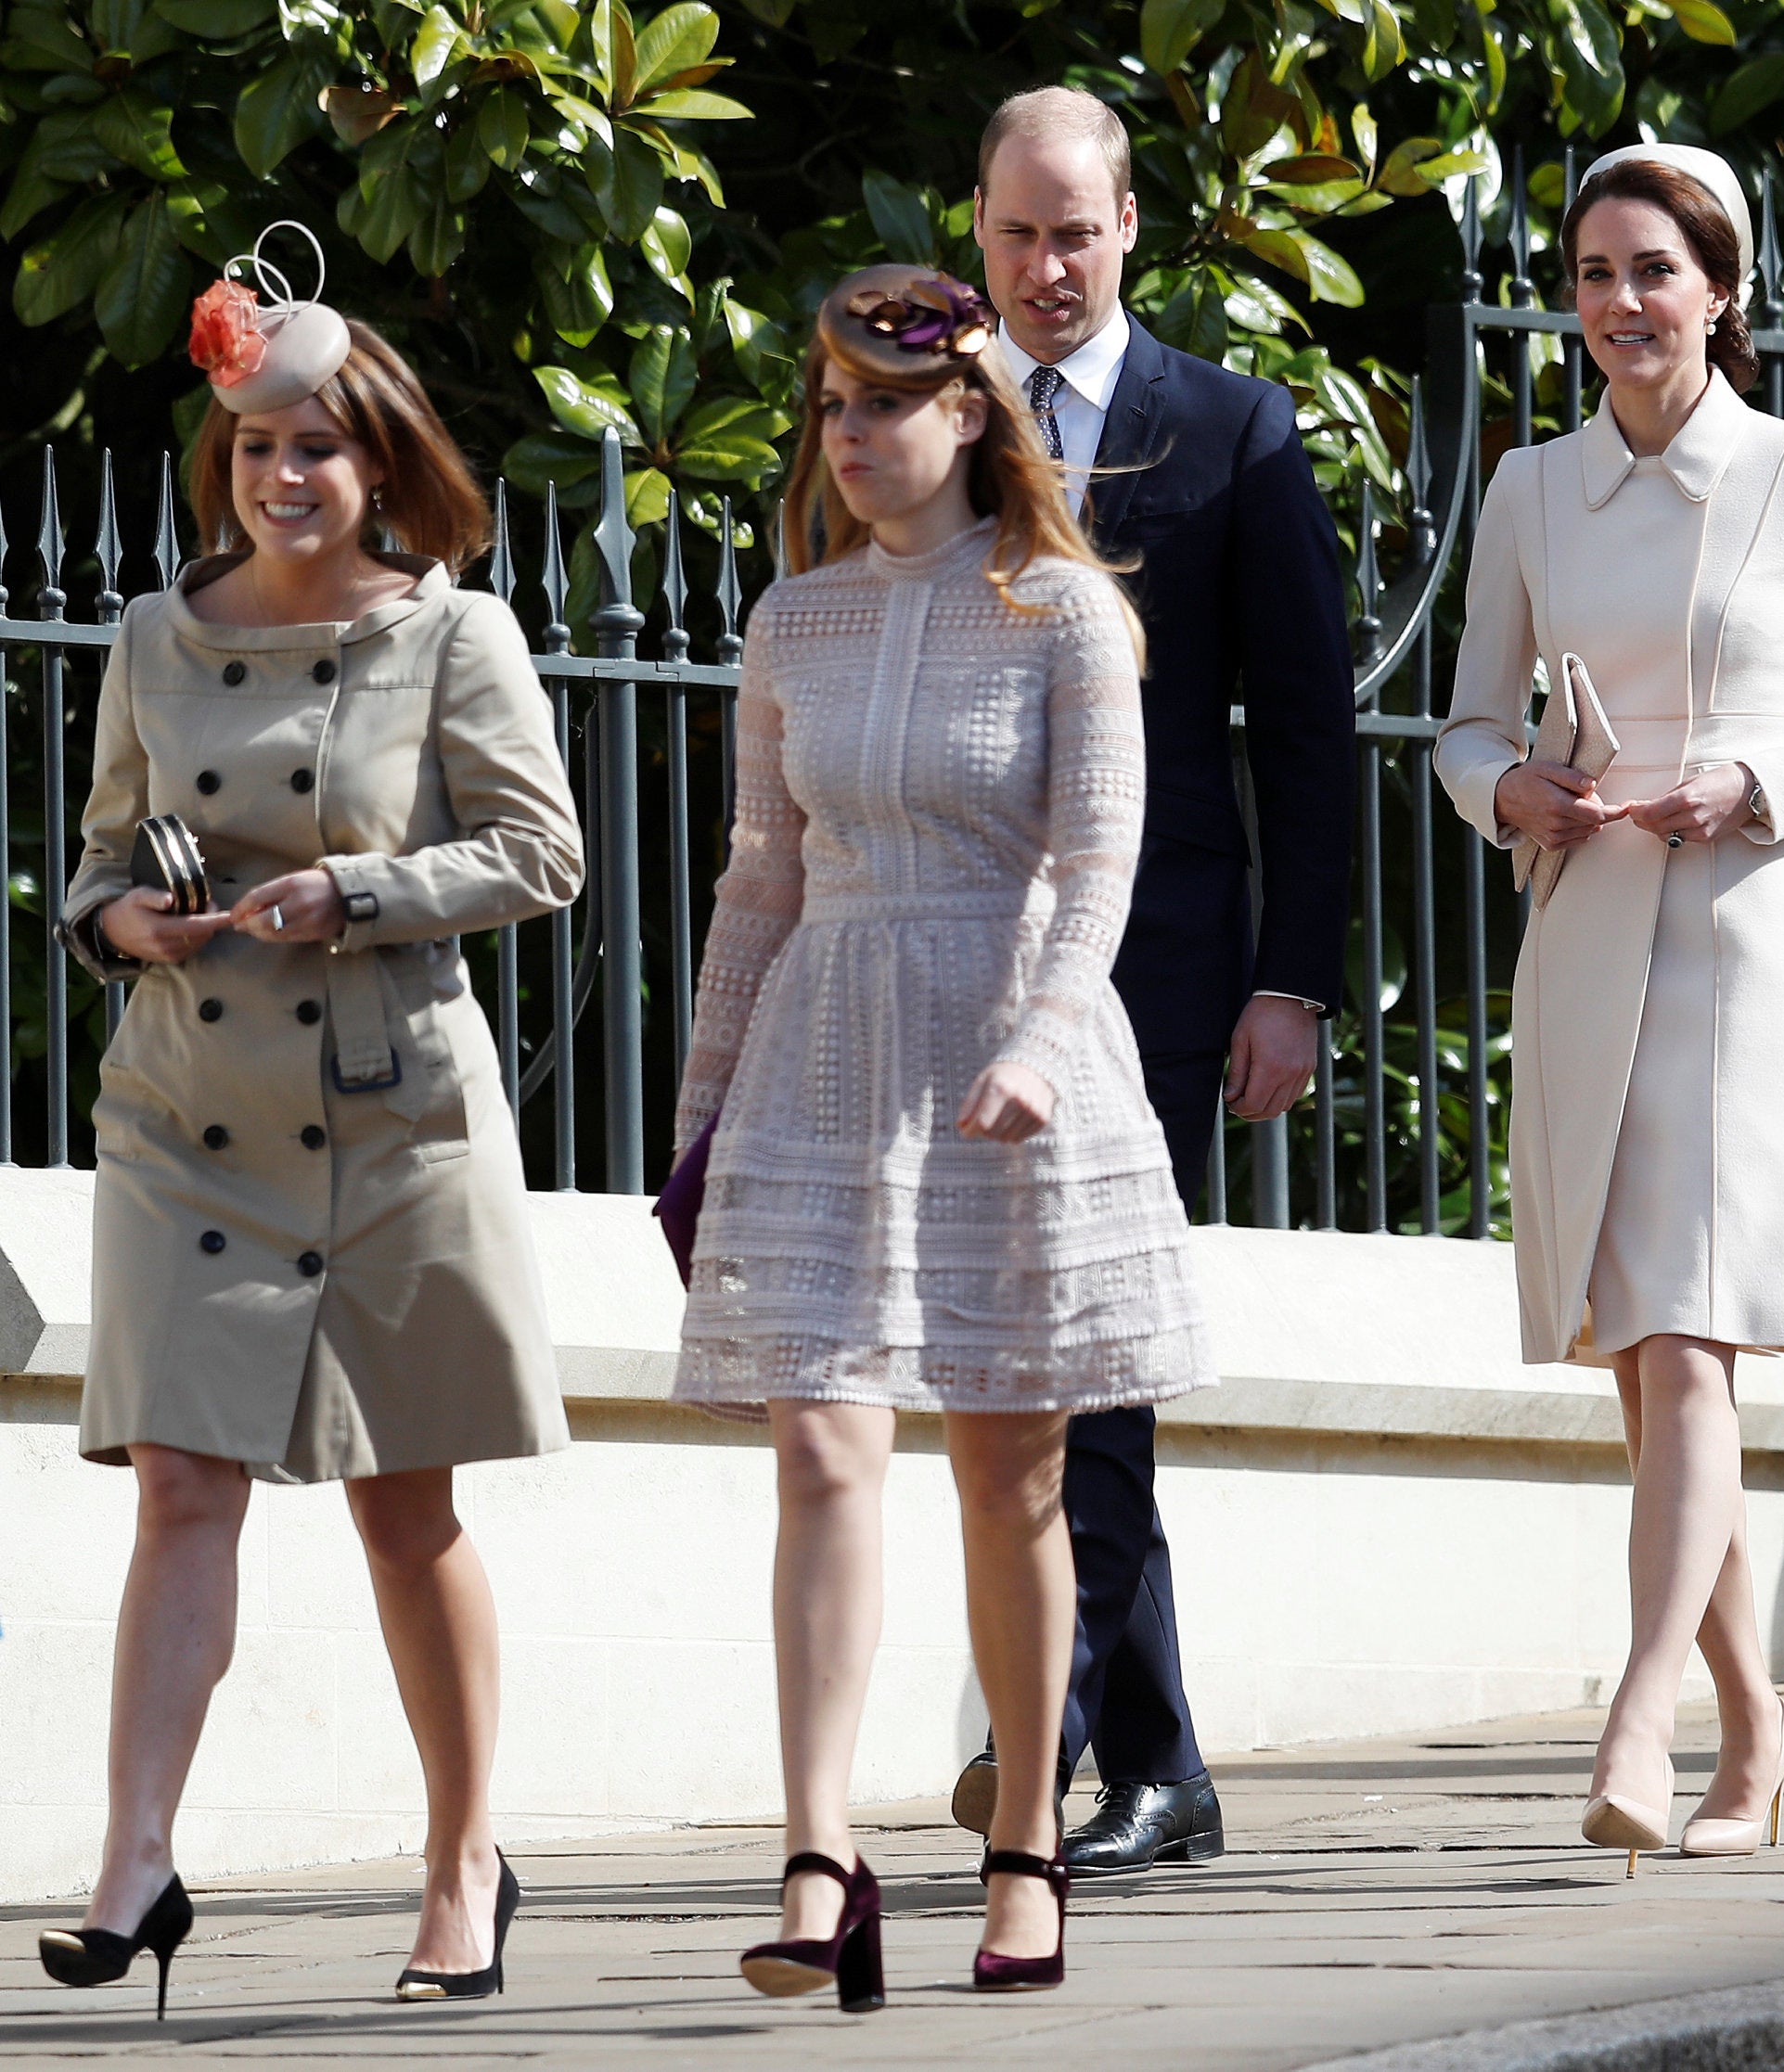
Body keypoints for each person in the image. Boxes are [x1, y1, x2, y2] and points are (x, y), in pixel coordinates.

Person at [39, 229, 583, 2014]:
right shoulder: (154, 631)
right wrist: (127, 920)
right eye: (259, 446)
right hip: (184, 1109)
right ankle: (134, 1861)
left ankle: (464, 1860)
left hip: (390, 1120)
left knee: (402, 1509)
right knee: (180, 1484)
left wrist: (354, 893)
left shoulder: (453, 630)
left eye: (320, 447)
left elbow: (543, 853)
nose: (285, 475)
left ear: (381, 459)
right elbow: (97, 861)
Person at [670, 264, 1214, 2007]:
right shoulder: (792, 620)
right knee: (820, 1451)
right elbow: (759, 877)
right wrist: (700, 1116)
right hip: (825, 1059)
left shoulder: (1067, 611)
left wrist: (1047, 1039)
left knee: (1010, 1472)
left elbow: (1101, 856)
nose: (851, 435)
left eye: (887, 404)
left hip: (1007, 1061)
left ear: (971, 414)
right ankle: (818, 1851)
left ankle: (1024, 1843)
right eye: (832, 406)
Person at [1435, 145, 1784, 1865]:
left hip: (1743, 938)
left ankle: (1640, 1716)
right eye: (1593, 273)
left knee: (1688, 1335)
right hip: (1584, 928)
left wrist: (1758, 782)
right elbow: (1463, 725)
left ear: (1721, 289)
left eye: (1653, 269)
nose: (1620, 302)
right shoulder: (1528, 490)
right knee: (1645, 1371)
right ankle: (1760, 1719)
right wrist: (1509, 791)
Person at [946, 83, 1358, 1874]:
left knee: (1097, 1342)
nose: (1048, 266)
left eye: (1077, 232)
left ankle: (1035, 1739)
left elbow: (1311, 730)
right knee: (1027, 1347)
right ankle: (1164, 1762)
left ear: (1130, 227)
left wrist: (1296, 981)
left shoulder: (1236, 427)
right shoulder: (930, 417)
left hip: (1165, 967)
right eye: (1018, 233)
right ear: (979, 231)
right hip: (963, 953)